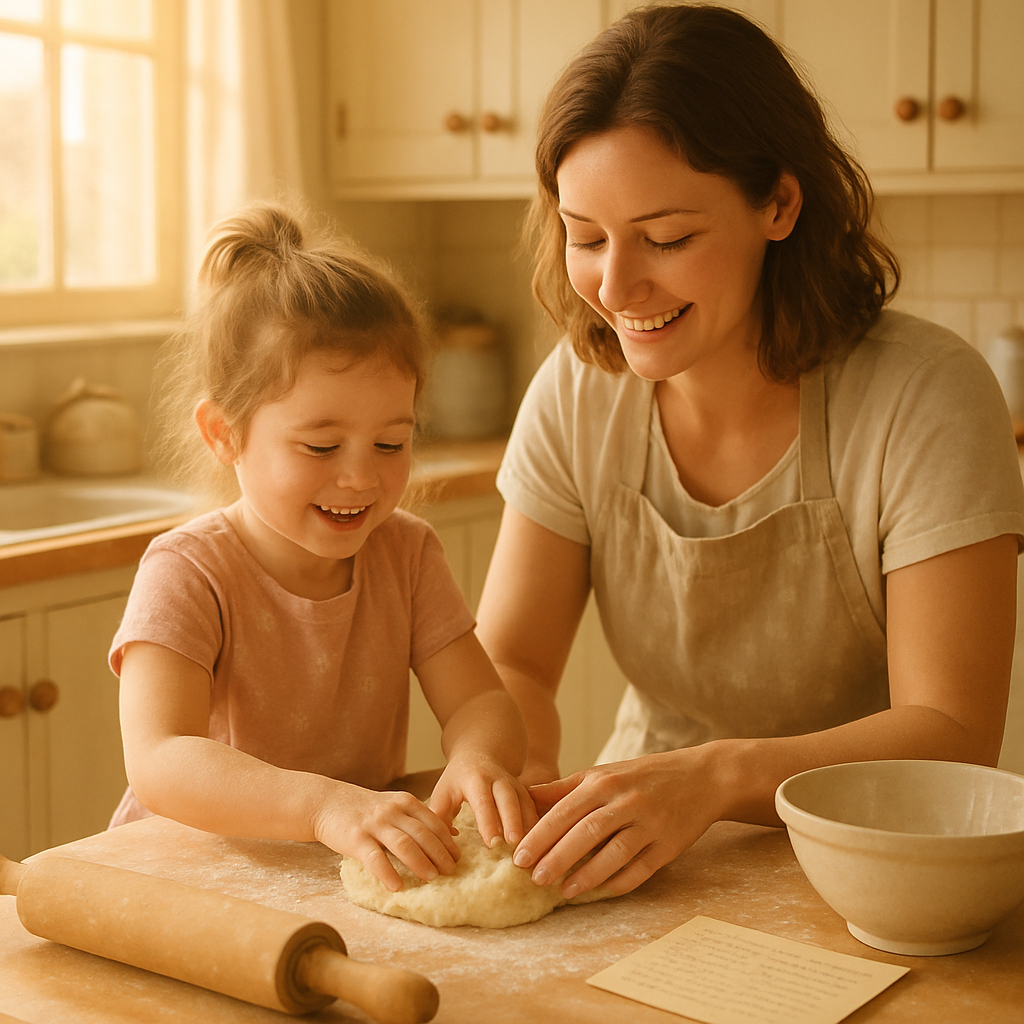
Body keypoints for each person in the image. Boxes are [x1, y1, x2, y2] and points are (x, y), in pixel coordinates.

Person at [476, 4, 1024, 901]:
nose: (616, 287)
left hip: (877, 862)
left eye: (667, 238)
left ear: (778, 201)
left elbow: (953, 731)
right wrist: (511, 779)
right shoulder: (577, 394)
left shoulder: (925, 396)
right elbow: (514, 666)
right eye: (585, 236)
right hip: (644, 851)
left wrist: (718, 777)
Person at [109, 203, 533, 892]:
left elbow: (479, 702)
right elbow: (160, 760)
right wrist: (323, 804)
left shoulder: (407, 556)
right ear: (224, 434)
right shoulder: (187, 571)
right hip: (186, 881)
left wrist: (479, 758)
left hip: (325, 875)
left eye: (392, 442)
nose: (361, 476)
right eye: (321, 445)